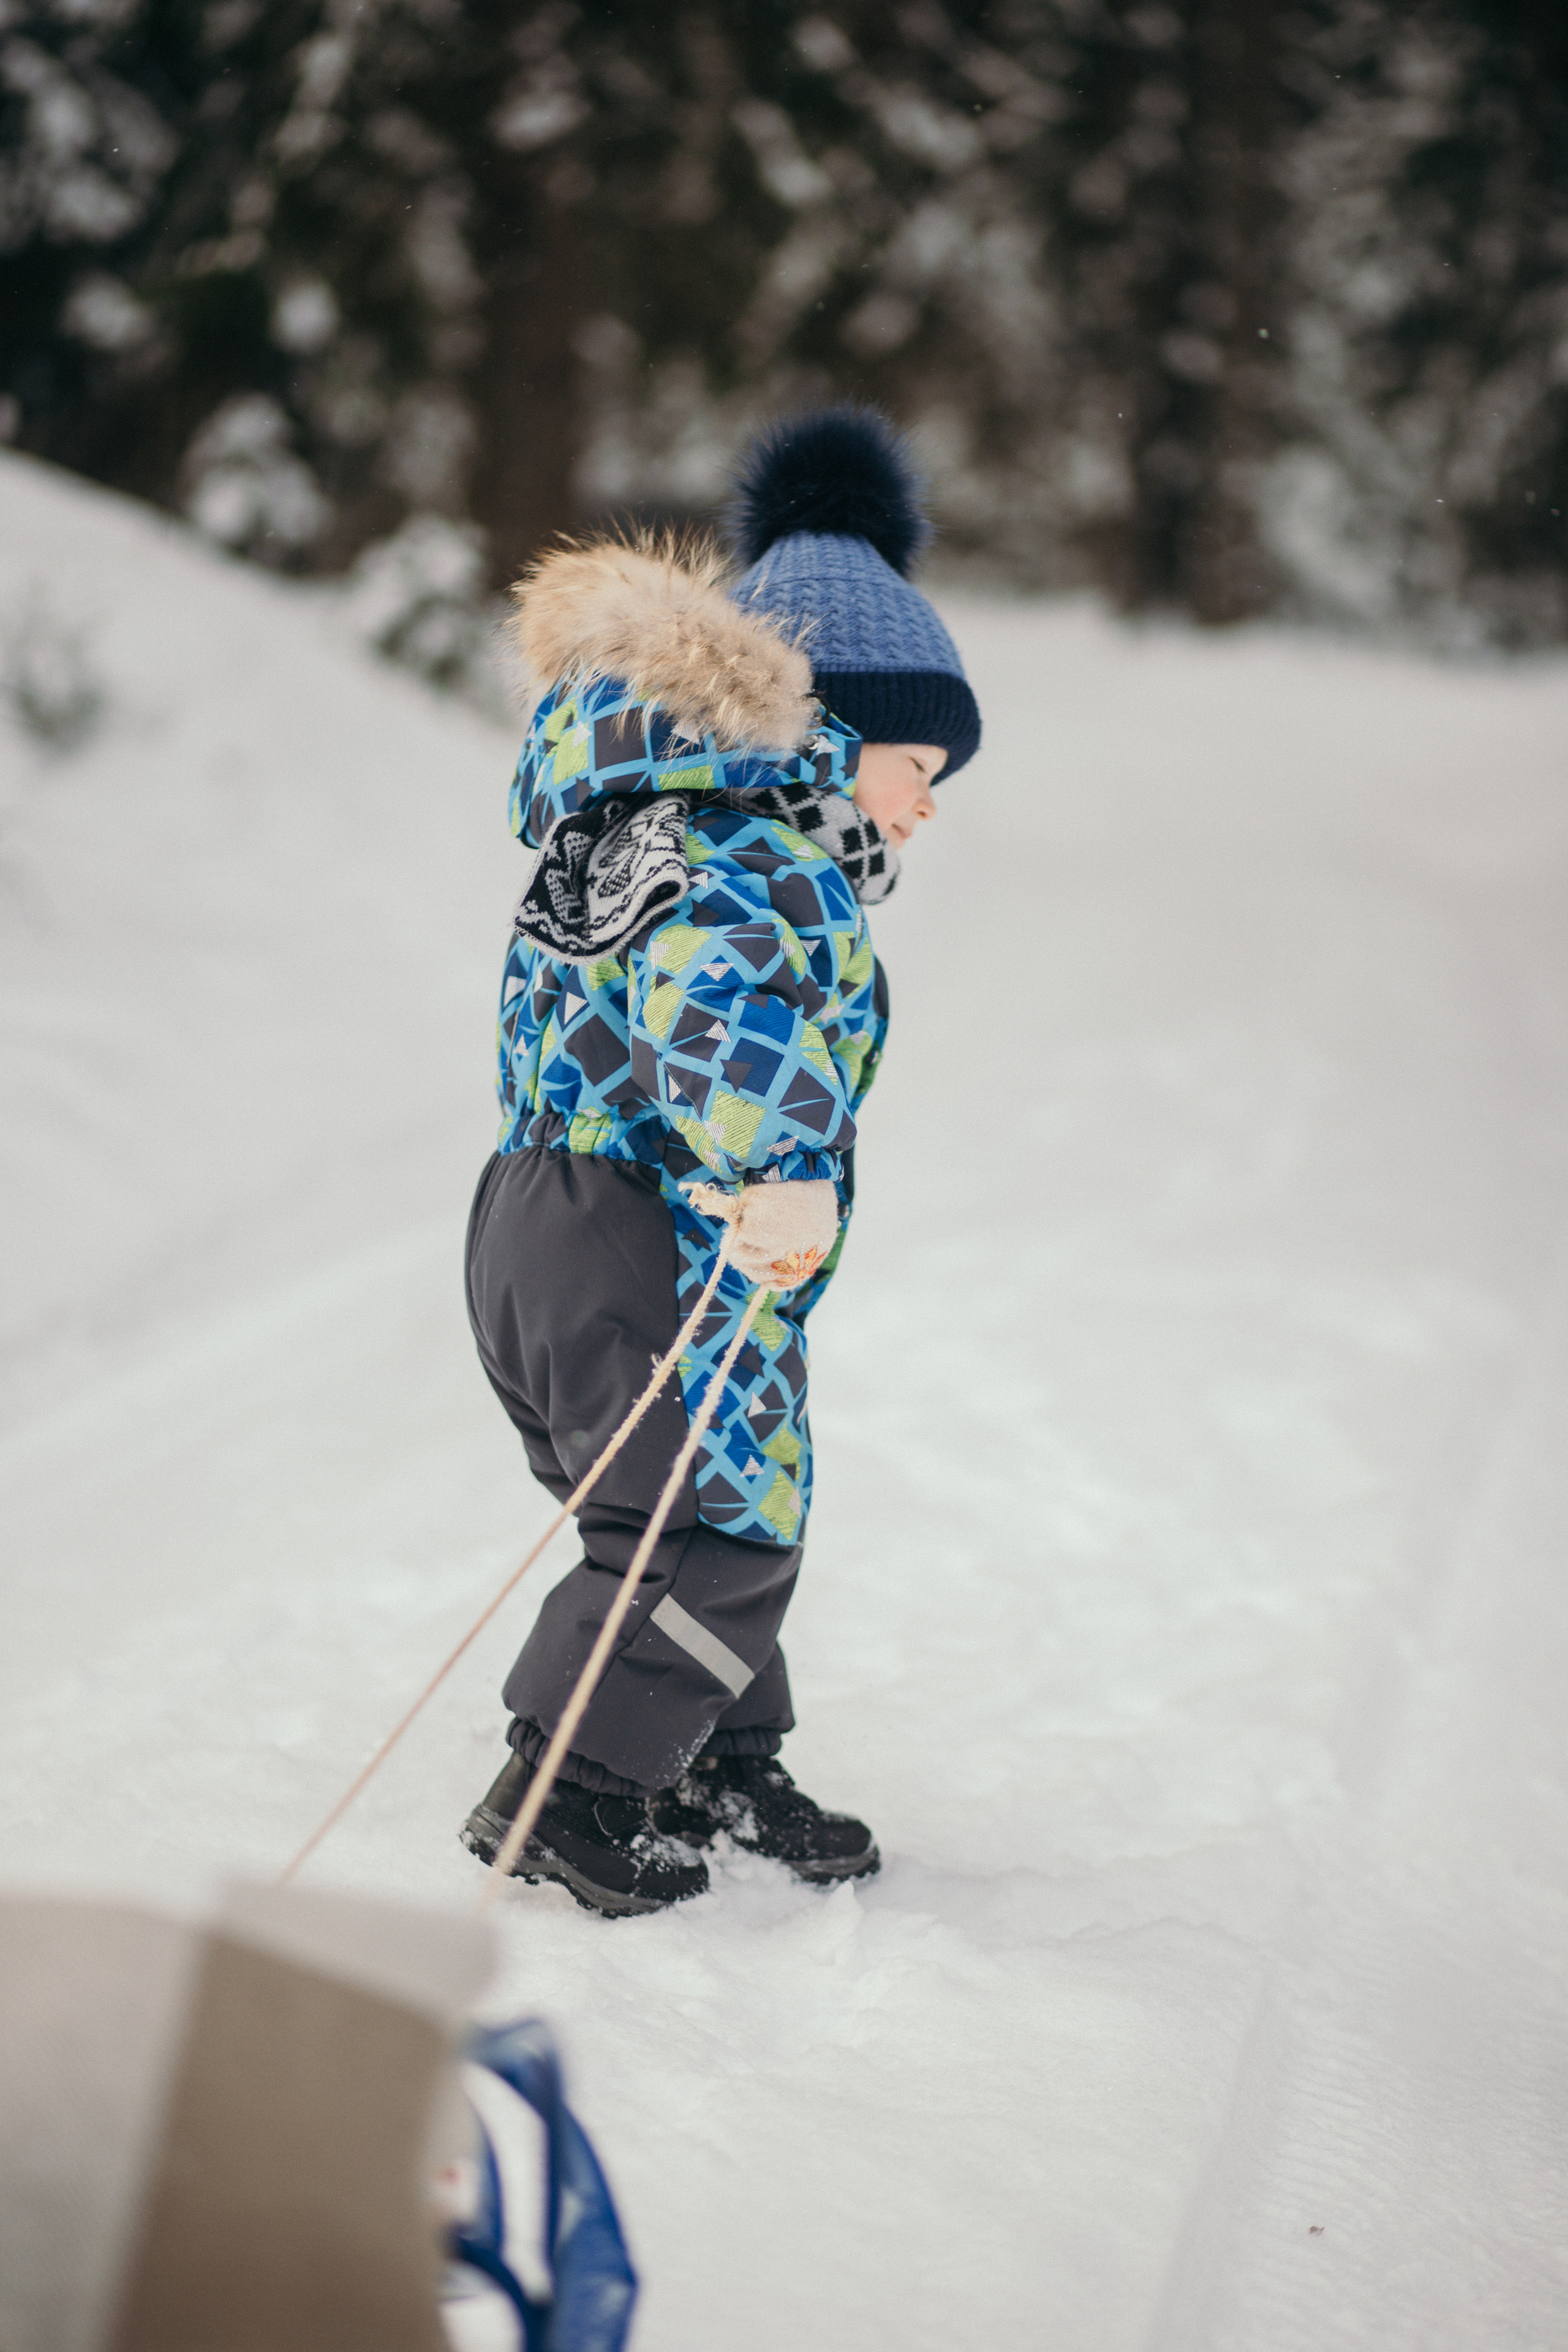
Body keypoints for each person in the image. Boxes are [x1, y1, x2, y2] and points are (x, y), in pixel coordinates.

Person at [461, 406, 982, 1916]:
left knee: (700, 1508)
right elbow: (719, 1011)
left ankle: (717, 1758)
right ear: (831, 726)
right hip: (656, 1218)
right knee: (717, 1525)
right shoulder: (748, 852)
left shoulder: (644, 821)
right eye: (913, 758)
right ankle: (573, 1787)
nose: (923, 798)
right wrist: (786, 1163)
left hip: (548, 1216)